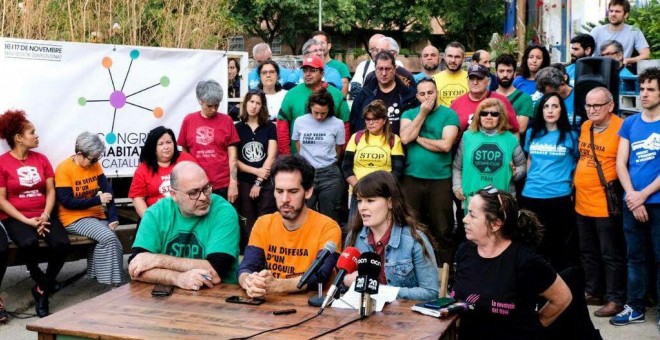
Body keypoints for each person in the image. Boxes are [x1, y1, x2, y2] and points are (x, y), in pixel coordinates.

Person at [452, 187, 572, 339]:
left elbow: (562, 298)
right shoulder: (465, 251)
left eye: (473, 215)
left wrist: (534, 327)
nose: (465, 219)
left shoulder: (525, 260)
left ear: (495, 224)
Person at [237, 155, 342, 298]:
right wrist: (248, 281)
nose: (285, 199)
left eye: (293, 192)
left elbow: (320, 275)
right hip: (271, 307)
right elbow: (247, 266)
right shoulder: (263, 223)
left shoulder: (328, 227)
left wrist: (278, 285)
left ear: (308, 192)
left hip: (313, 308)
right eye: (279, 191)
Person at [0, 110, 70, 318]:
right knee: (28, 242)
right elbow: (1, 200)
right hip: (16, 216)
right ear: (18, 138)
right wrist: (27, 221)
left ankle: (42, 289)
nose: (36, 135)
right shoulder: (2, 163)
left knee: (61, 243)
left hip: (43, 214)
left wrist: (46, 215)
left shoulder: (41, 159)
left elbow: (50, 191)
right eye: (32, 132)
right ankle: (40, 278)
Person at [128, 161, 240, 289]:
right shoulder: (156, 213)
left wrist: (156, 260)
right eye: (194, 193)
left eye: (206, 188)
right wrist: (177, 278)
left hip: (219, 295)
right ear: (174, 195)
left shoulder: (223, 211)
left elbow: (214, 273)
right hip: (167, 297)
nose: (203, 197)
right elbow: (136, 269)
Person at [611, 67, 660, 328]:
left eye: (650, 89)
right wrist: (632, 195)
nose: (644, 94)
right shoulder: (630, 122)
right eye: (642, 89)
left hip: (656, 202)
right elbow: (621, 163)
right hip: (633, 202)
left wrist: (643, 195)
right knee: (635, 257)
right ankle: (636, 307)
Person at [343, 171, 439, 301]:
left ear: (390, 202)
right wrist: (346, 280)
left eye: (370, 200)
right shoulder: (353, 236)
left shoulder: (415, 240)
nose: (362, 207)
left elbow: (431, 293)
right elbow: (344, 288)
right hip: (363, 315)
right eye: (360, 201)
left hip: (404, 318)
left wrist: (380, 290)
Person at [574, 87, 626, 317]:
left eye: (597, 105)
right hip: (582, 203)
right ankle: (594, 291)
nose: (591, 110)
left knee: (611, 254)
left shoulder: (622, 127)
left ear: (610, 106)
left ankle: (616, 298)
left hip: (605, 205)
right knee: (587, 251)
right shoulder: (586, 126)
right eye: (588, 105)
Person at [399, 78, 459, 265]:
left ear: (437, 92)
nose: (427, 97)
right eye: (422, 94)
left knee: (442, 229)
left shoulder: (449, 115)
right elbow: (405, 137)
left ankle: (446, 273)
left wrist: (418, 138)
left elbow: (445, 145)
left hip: (440, 179)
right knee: (411, 227)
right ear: (417, 96)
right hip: (411, 179)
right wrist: (422, 114)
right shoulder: (410, 113)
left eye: (430, 93)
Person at [55, 132, 125, 286]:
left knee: (115, 241)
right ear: (79, 154)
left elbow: (108, 191)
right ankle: (112, 283)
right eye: (93, 159)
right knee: (108, 238)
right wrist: (97, 199)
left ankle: (97, 275)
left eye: (97, 159)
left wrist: (113, 217)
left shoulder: (95, 165)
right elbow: (67, 202)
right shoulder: (64, 169)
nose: (95, 162)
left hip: (95, 214)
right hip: (72, 218)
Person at [520, 93, 580, 272]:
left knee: (557, 244)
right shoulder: (532, 133)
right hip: (531, 195)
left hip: (559, 196)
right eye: (546, 106)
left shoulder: (571, 136)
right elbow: (530, 159)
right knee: (533, 243)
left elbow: (577, 163)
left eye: (555, 106)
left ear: (562, 109)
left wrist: (572, 187)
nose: (550, 110)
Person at [452, 99, 526, 212]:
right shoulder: (467, 137)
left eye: (494, 114)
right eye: (484, 113)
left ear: (500, 117)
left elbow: (522, 166)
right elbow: (457, 167)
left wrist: (516, 173)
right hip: (472, 199)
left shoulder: (511, 139)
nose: (489, 116)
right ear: (478, 116)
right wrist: (457, 187)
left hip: (501, 201)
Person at [343, 100, 405, 225]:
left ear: (384, 120)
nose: (370, 123)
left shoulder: (393, 139)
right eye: (367, 119)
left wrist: (378, 189)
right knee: (354, 230)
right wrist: (359, 187)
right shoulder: (356, 137)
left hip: (381, 194)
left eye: (375, 119)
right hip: (358, 194)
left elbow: (397, 170)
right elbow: (346, 166)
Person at [178, 80, 239, 202]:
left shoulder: (227, 121)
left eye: (216, 105)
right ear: (200, 101)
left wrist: (233, 183)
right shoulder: (189, 120)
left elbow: (233, 156)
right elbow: (185, 154)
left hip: (222, 184)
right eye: (209, 106)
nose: (213, 109)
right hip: (196, 185)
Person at [291, 89, 345, 223]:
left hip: (330, 173)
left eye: (323, 113)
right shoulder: (300, 121)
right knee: (301, 215)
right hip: (306, 172)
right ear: (310, 108)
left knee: (331, 217)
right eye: (316, 113)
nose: (319, 117)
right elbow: (298, 144)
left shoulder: (337, 123)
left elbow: (339, 149)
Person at [277, 55, 349, 155]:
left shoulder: (336, 95)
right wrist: (286, 156)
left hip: (327, 161)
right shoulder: (291, 94)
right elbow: (282, 125)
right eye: (305, 70)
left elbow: (345, 126)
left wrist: (340, 156)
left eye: (312, 70)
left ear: (322, 73)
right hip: (299, 160)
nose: (308, 74)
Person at [235, 89, 277, 247]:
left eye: (258, 103)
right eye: (251, 102)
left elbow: (271, 156)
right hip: (245, 181)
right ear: (246, 103)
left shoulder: (269, 127)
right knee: (248, 221)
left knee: (266, 218)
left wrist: (259, 181)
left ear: (262, 107)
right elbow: (234, 159)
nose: (254, 106)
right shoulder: (237, 128)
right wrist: (255, 172)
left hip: (265, 183)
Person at [128, 126, 196, 218]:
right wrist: (149, 221)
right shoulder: (143, 168)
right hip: (157, 217)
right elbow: (138, 199)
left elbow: (201, 185)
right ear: (153, 147)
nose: (166, 147)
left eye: (169, 142)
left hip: (186, 214)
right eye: (161, 144)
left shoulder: (186, 159)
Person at [350, 51, 417, 134]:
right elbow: (354, 123)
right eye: (380, 69)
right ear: (375, 68)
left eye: (388, 69)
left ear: (395, 68)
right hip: (370, 145)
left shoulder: (408, 95)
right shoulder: (364, 95)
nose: (384, 73)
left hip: (399, 145)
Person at [450, 64, 520, 135]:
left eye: (479, 78)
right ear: (468, 81)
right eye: (472, 78)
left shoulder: (501, 100)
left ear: (488, 81)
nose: (475, 82)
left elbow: (515, 130)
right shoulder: (457, 103)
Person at [590, 0, 650, 66]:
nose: (613, 14)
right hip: (598, 71)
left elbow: (646, 54)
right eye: (611, 11)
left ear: (626, 15)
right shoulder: (596, 31)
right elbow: (585, 51)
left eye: (617, 11)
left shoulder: (634, 31)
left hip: (621, 70)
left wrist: (628, 60)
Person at [495, 54, 535, 136]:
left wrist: (495, 122)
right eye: (501, 71)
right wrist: (514, 120)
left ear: (514, 74)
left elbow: (521, 128)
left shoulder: (525, 98)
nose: (505, 75)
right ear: (496, 73)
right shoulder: (488, 97)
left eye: (509, 71)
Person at [313, 31, 351, 96]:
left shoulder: (341, 67)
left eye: (321, 43)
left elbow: (343, 93)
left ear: (329, 46)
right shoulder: (308, 68)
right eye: (315, 43)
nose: (318, 46)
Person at [433, 42, 468, 107]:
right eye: (450, 56)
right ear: (444, 57)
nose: (453, 60)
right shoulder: (434, 79)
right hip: (442, 116)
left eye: (457, 57)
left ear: (463, 58)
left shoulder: (471, 78)